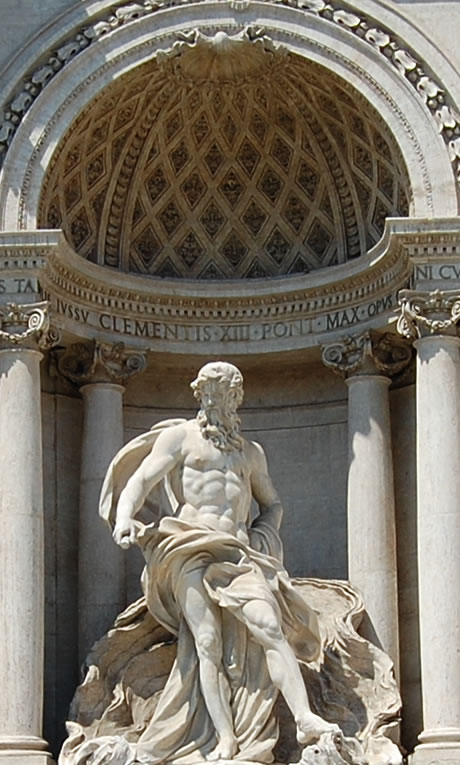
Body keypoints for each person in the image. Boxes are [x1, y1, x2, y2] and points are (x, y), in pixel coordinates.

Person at [103, 361, 338, 763]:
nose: (217, 400)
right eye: (210, 392)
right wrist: (125, 516)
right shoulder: (180, 439)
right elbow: (140, 481)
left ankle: (304, 719)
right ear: (200, 395)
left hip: (239, 553)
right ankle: (225, 739)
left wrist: (264, 539)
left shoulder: (250, 453)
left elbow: (272, 503)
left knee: (269, 628)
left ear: (236, 398)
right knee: (206, 643)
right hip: (188, 547)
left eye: (225, 393)